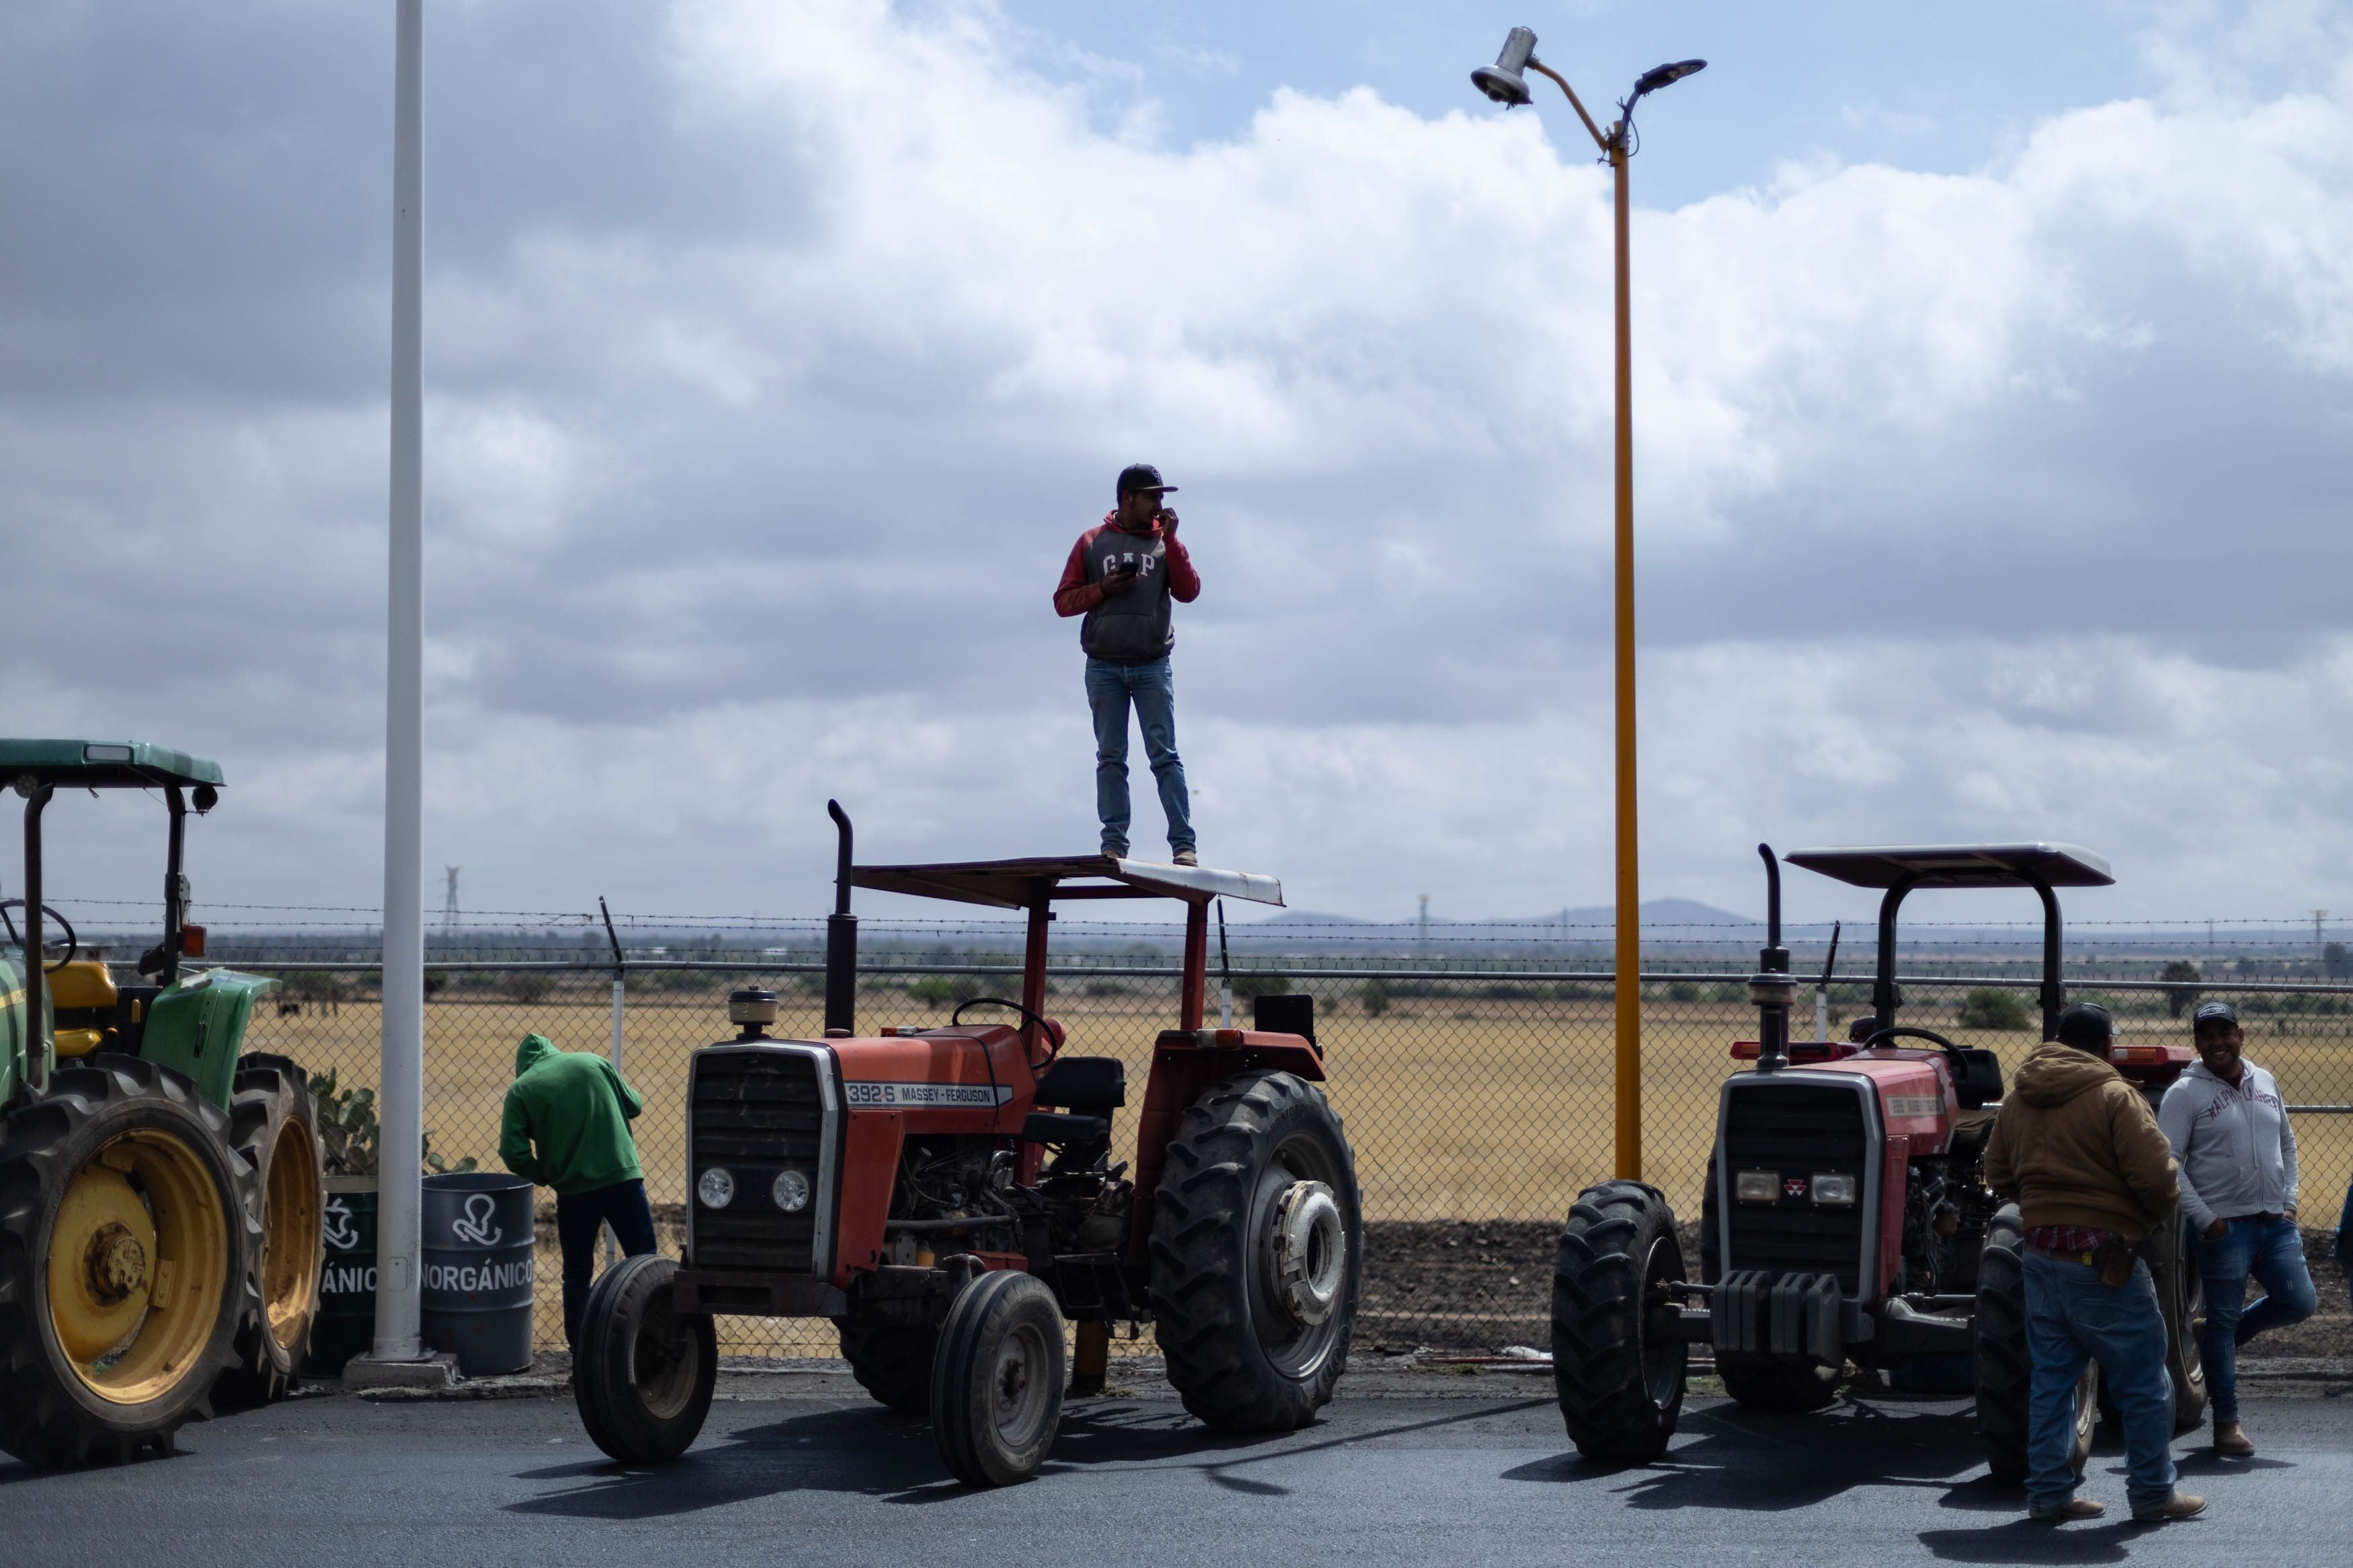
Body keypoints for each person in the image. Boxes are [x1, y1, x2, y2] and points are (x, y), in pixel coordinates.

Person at [1982, 1003, 2204, 1524]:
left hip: (2039, 1256)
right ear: (2107, 1047)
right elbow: (2159, 1179)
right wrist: (2142, 1221)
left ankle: (2049, 1494)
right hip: (2104, 1260)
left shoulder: (2019, 1098)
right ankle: (2153, 1491)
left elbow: (1997, 1172)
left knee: (2052, 1380)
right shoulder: (2116, 1095)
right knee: (2144, 1380)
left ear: (2059, 1041)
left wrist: (2042, 1204)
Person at [2157, 1000, 2315, 1457]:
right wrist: (2206, 1220)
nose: (2218, 1043)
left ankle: (2215, 1339)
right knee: (2223, 1319)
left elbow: (2287, 1142)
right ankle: (2227, 1423)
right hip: (2224, 1231)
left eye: (2225, 1033)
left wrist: (2289, 1202)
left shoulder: (2264, 1080)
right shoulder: (2184, 1093)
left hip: (2275, 1224)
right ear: (2197, 1043)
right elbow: (2169, 1162)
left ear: (2240, 1035)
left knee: (2299, 1301)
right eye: (2207, 1036)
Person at [1053, 462, 1201, 865]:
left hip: (1152, 665)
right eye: (1151, 497)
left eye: (1161, 497)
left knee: (1164, 755)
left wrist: (1173, 541)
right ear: (1127, 498)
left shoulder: (1166, 542)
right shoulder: (1091, 542)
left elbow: (1189, 592)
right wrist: (1103, 588)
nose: (1158, 505)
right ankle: (1114, 844)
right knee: (1111, 758)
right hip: (1103, 667)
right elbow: (1062, 602)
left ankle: (1183, 845)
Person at [499, 1032, 658, 1354]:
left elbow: (513, 1153)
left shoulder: (521, 1089)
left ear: (523, 1066)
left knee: (577, 1274)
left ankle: (581, 1352)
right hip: (623, 1177)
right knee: (645, 1262)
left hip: (575, 1191)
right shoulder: (593, 1062)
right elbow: (635, 1105)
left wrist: (545, 1175)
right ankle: (653, 1341)